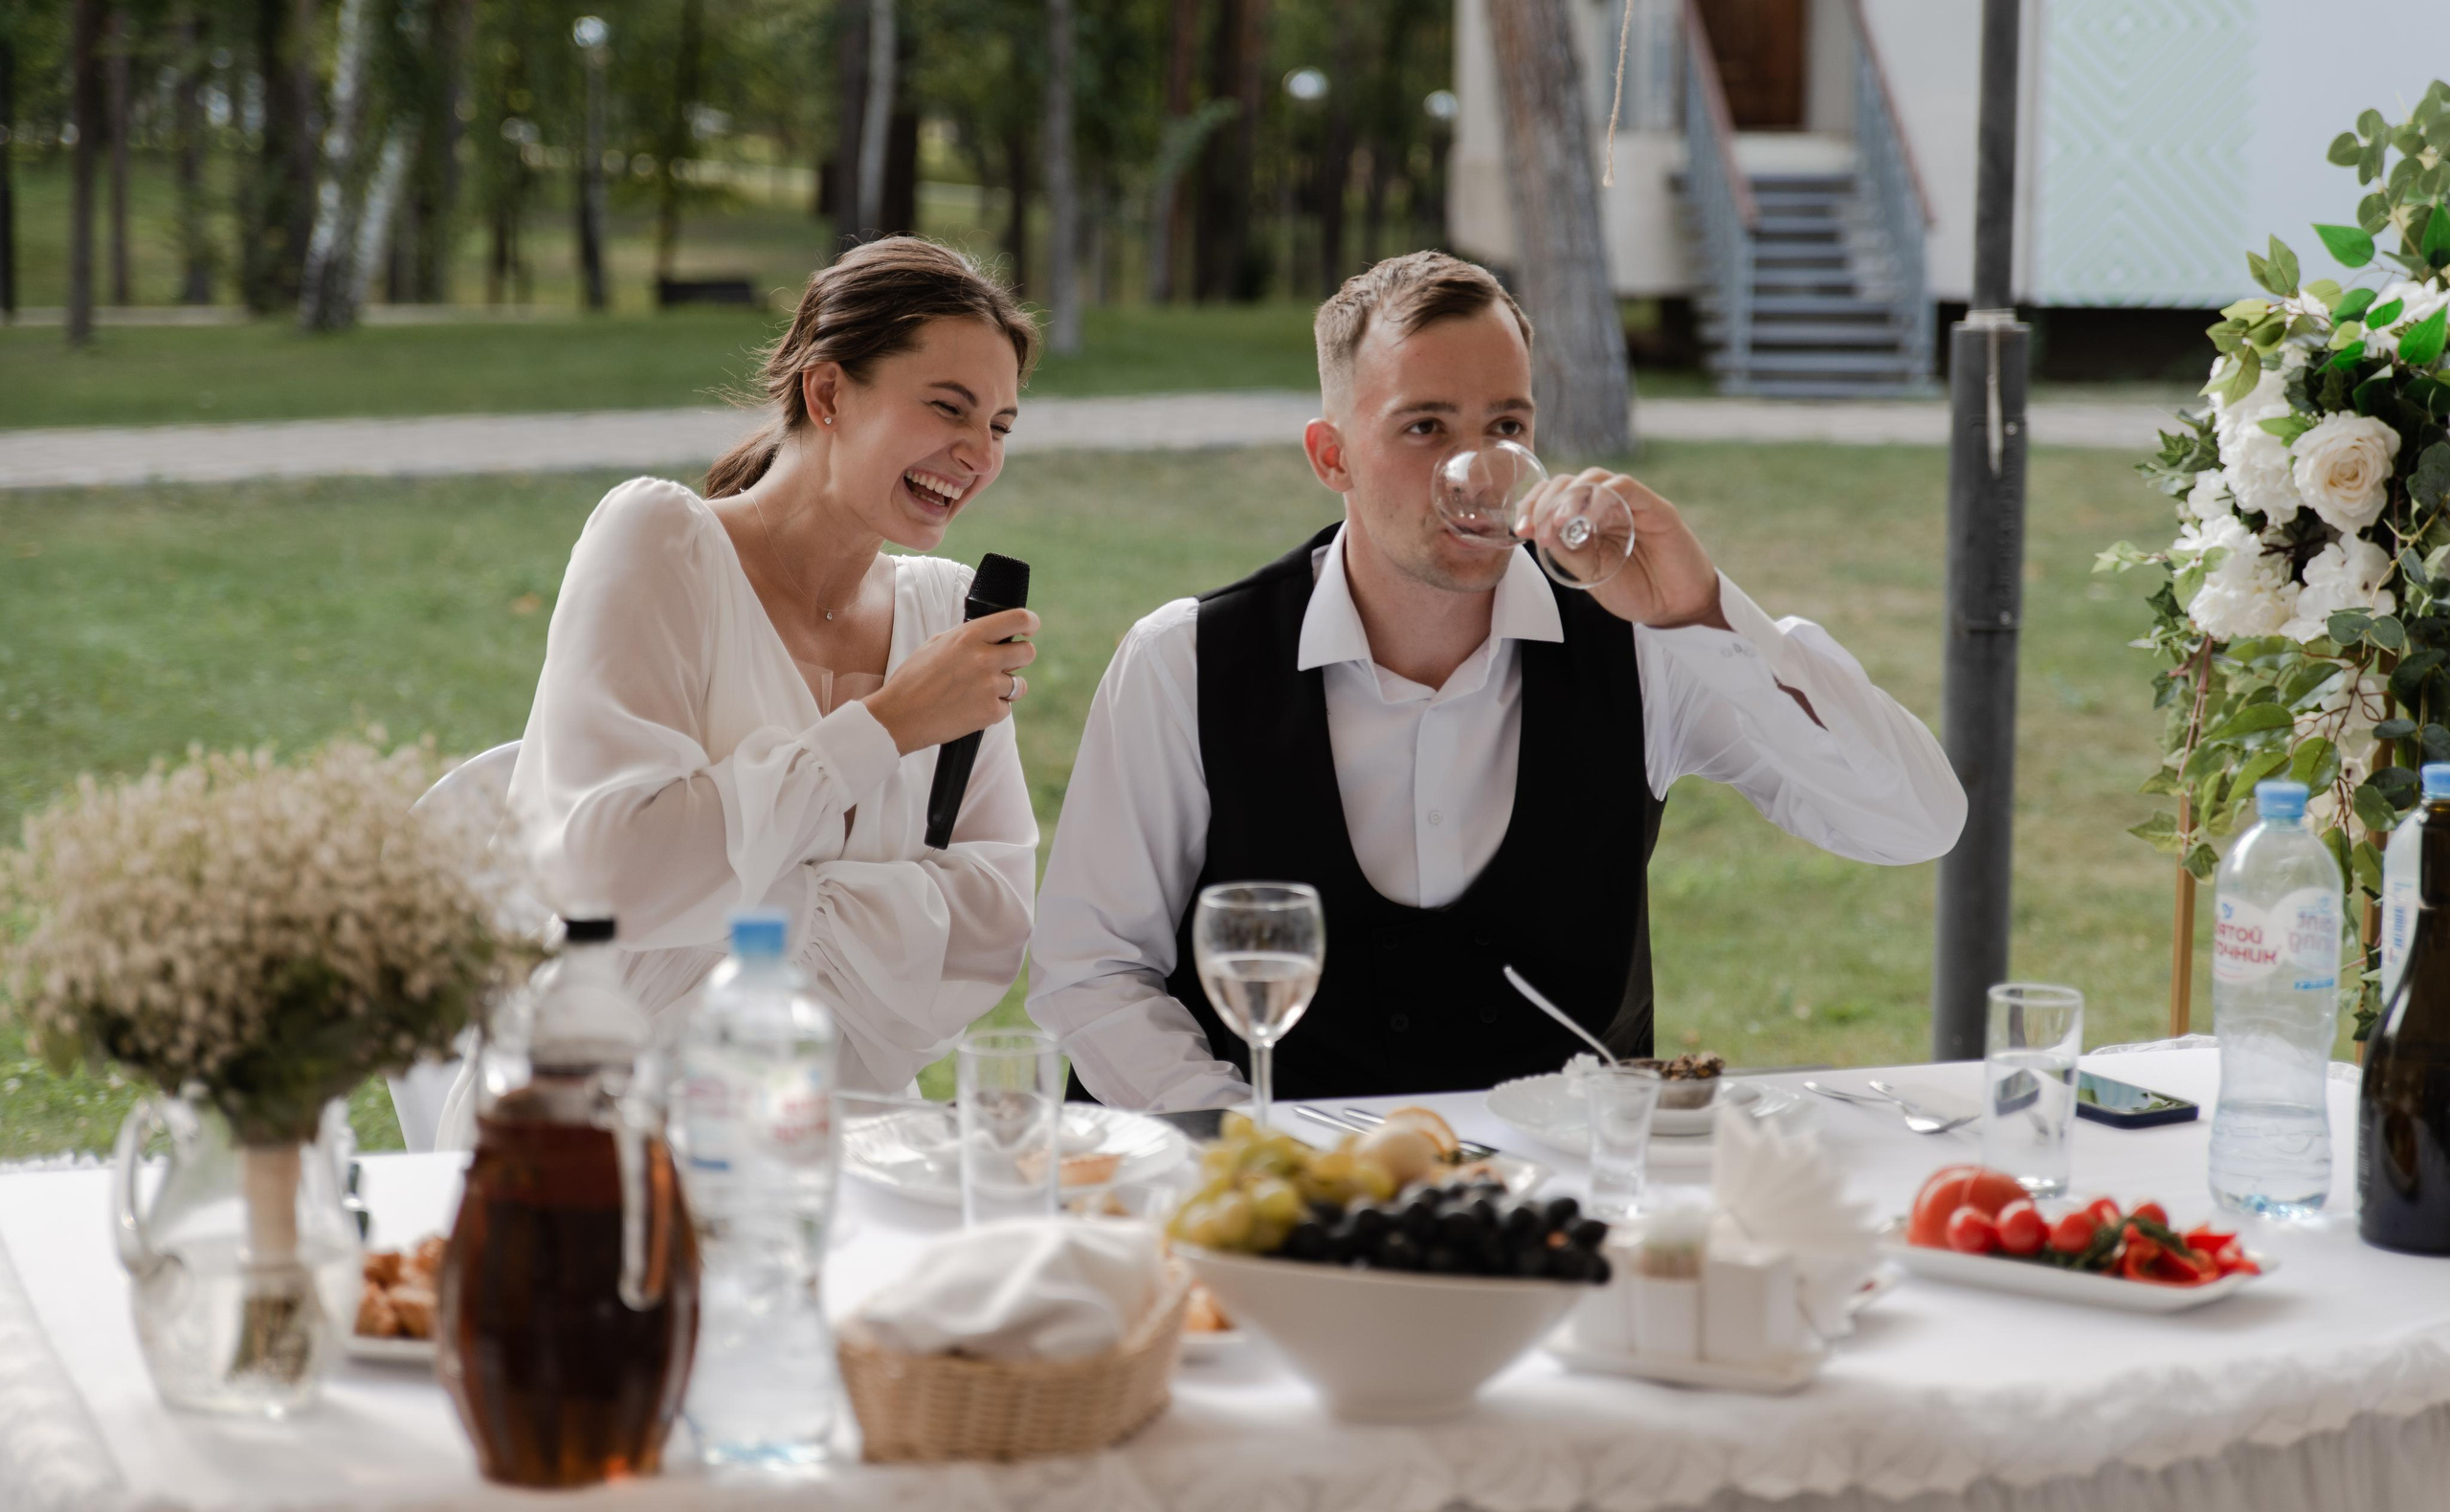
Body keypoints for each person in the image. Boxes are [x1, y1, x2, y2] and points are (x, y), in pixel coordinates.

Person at [1028, 251, 1967, 1110]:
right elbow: (1092, 968)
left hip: (1561, 1193)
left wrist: (1704, 613)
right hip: (1266, 1194)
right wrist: (1253, 1145)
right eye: (1425, 426)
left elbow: (1913, 823)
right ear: (1331, 455)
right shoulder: (1185, 661)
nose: (1477, 473)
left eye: (1506, 426)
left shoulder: (1643, 645)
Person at [502, 236, 1042, 1100]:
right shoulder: (661, 546)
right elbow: (611, 880)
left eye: (1000, 426)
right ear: (827, 393)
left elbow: (994, 929)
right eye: (949, 408)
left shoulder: (949, 612)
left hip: (863, 1124)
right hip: (620, 1114)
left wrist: (745, 898)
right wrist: (886, 726)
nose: (980, 453)